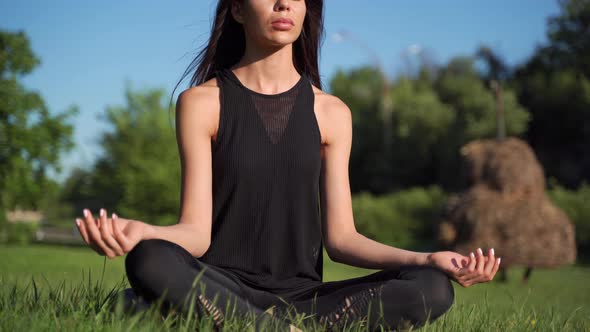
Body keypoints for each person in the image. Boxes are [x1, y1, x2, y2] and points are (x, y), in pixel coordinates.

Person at [74, 0, 501, 331]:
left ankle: (236, 323)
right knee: (150, 259)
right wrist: (138, 233)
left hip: (306, 297)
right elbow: (195, 235)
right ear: (237, 9)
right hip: (222, 285)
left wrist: (427, 259)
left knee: (431, 289)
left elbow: (343, 239)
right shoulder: (202, 103)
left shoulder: (332, 112)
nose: (284, 4)